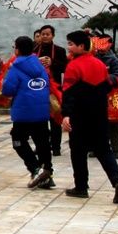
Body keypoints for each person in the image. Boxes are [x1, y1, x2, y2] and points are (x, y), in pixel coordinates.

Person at [60, 30, 118, 202]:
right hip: (99, 113)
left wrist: (66, 115)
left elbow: (68, 93)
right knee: (104, 150)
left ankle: (81, 187)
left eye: (71, 44)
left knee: (78, 151)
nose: (69, 47)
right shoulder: (99, 64)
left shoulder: (73, 66)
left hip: (79, 114)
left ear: (81, 46)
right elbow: (106, 87)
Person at [2, 35, 56, 189]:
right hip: (41, 111)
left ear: (17, 50)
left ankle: (36, 169)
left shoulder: (16, 67)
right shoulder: (41, 67)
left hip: (24, 112)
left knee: (18, 141)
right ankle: (48, 173)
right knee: (43, 143)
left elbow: (8, 90)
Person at [35, 25, 69, 156]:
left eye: (47, 34)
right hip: (38, 88)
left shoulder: (59, 50)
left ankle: (56, 147)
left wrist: (52, 62)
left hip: (54, 89)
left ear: (52, 35)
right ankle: (41, 146)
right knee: (40, 121)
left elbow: (65, 67)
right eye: (43, 34)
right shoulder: (34, 49)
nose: (45, 36)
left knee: (55, 119)